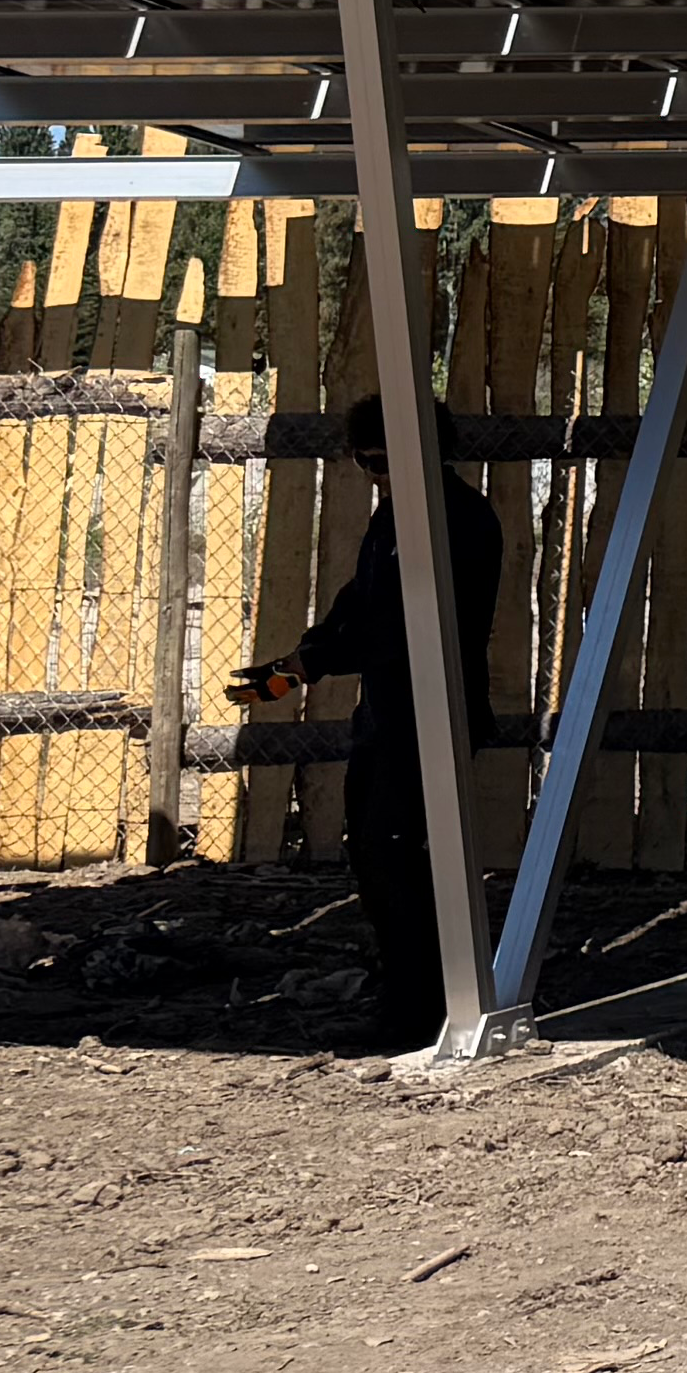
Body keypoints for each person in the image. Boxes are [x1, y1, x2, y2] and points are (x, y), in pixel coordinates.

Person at [229, 398, 509, 1053]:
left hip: (430, 717)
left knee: (403, 863)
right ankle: (411, 1002)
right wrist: (303, 655)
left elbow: (402, 626)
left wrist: (316, 659)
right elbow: (362, 598)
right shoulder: (400, 513)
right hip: (389, 712)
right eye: (367, 463)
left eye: (383, 463)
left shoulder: (456, 520)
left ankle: (421, 1014)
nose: (374, 475)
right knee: (381, 857)